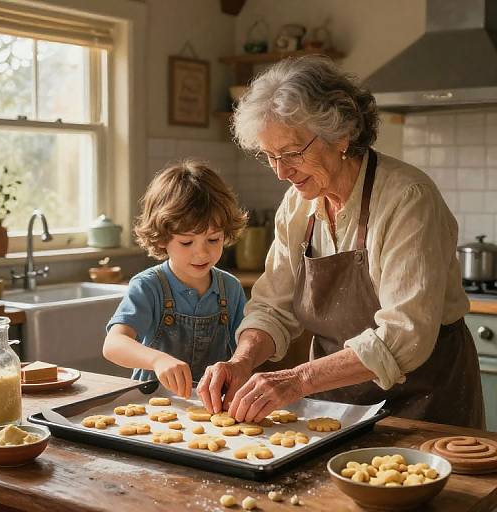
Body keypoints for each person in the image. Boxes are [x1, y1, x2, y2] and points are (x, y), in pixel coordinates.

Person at [197, 55, 483, 428]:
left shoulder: (407, 198)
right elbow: (273, 307)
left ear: (341, 135)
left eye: (292, 153)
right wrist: (242, 361)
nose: (282, 172)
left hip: (425, 403)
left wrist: (297, 379)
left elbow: (404, 336)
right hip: (337, 405)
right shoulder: (298, 204)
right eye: (270, 157)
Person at [104, 160, 248, 398]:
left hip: (212, 406)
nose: (202, 253)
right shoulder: (148, 286)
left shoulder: (230, 288)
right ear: (162, 239)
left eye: (213, 239)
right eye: (186, 242)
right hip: (152, 404)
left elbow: (245, 348)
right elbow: (113, 344)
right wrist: (157, 360)